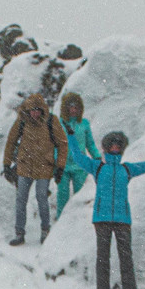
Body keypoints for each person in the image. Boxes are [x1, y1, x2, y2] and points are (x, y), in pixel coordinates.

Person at [69, 129, 145, 289]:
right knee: (102, 256)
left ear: (121, 149)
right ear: (106, 148)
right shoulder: (97, 167)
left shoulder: (126, 169)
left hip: (122, 219)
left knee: (126, 256)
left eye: (117, 146)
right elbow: (77, 156)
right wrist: (71, 137)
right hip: (101, 218)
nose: (114, 148)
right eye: (111, 145)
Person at [2, 89, 67, 246]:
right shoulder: (22, 122)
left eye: (37, 110)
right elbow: (11, 141)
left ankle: (45, 230)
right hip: (25, 166)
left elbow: (62, 144)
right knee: (21, 200)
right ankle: (19, 233)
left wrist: (60, 167)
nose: (35, 114)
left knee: (41, 198)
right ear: (28, 110)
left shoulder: (51, 121)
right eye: (32, 110)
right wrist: (6, 163)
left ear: (42, 110)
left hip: (44, 167)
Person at [54, 91, 101, 222]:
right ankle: (60, 224)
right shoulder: (59, 124)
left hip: (80, 166)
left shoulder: (84, 123)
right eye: (71, 107)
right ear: (65, 108)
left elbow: (90, 143)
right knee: (62, 196)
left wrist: (97, 157)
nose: (73, 110)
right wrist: (56, 165)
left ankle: (77, 224)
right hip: (63, 166)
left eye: (76, 108)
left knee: (79, 197)